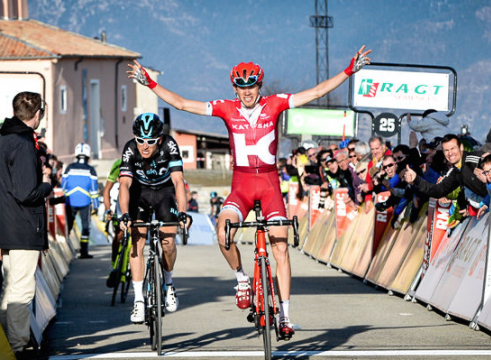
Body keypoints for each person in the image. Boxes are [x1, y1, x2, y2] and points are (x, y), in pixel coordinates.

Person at [127, 45, 371, 338]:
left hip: (269, 185)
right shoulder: (226, 109)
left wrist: (348, 71)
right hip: (241, 185)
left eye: (251, 86)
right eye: (241, 87)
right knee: (223, 232)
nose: (246, 92)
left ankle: (285, 315)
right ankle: (242, 279)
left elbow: (316, 92)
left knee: (280, 247)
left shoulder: (275, 104)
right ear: (234, 88)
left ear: (259, 85)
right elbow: (181, 104)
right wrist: (149, 83)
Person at [118, 113, 190, 324]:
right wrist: (124, 214)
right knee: (136, 242)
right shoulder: (130, 148)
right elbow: (124, 184)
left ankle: (169, 284)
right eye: (141, 140)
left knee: (168, 243)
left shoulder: (170, 145)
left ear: (159, 139)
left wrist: (183, 212)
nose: (145, 146)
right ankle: (139, 300)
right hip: (140, 193)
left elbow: (178, 182)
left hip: (164, 192)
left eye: (150, 141)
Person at [0, 91, 53, 356]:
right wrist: (46, 184)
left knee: (10, 286)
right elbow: (25, 192)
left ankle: (10, 343)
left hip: (7, 224)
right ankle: (19, 345)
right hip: (23, 226)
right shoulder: (22, 143)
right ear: (38, 114)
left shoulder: (4, 137)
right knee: (21, 288)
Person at [62, 143, 99, 259]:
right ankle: (84, 252)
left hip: (70, 201)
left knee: (67, 227)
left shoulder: (69, 167)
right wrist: (96, 205)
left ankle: (65, 252)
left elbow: (64, 186)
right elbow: (94, 189)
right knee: (85, 227)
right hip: (85, 202)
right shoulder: (91, 170)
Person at [103, 158, 123, 266]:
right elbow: (106, 190)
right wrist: (108, 209)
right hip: (122, 200)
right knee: (119, 234)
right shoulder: (118, 163)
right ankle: (114, 262)